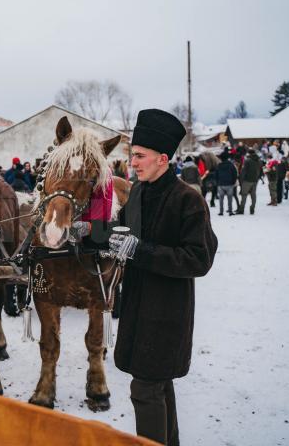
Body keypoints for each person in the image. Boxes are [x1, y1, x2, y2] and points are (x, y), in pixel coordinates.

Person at [111, 109, 218, 446]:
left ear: (162, 158)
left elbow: (199, 259)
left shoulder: (189, 199)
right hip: (137, 309)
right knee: (156, 387)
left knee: (146, 389)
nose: (133, 163)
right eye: (132, 156)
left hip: (166, 316)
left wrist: (139, 251)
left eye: (139, 157)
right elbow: (121, 231)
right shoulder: (140, 192)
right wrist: (88, 232)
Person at [236, 149, 262, 215]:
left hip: (247, 180)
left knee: (244, 195)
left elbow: (243, 171)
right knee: (253, 195)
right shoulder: (259, 161)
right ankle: (252, 209)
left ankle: (241, 210)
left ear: (249, 154)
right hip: (255, 180)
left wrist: (241, 180)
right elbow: (260, 170)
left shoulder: (247, 161)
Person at [215, 152, 238, 216]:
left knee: (221, 199)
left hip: (220, 184)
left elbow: (216, 175)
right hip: (229, 184)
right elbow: (235, 174)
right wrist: (233, 182)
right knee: (230, 199)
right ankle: (230, 211)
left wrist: (217, 182)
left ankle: (221, 211)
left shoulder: (219, 165)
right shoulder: (231, 165)